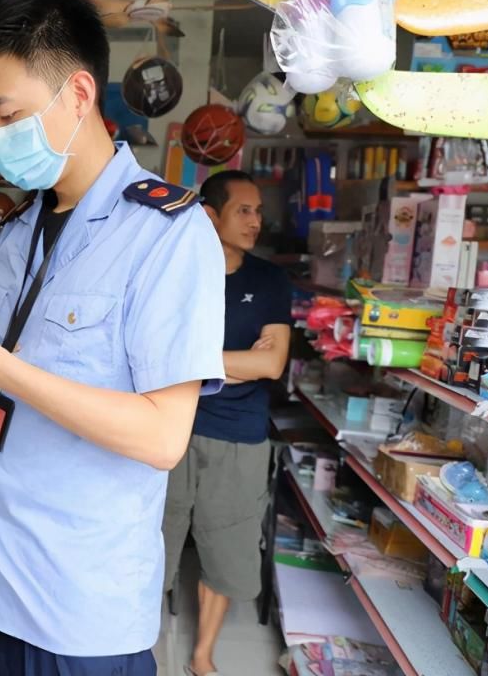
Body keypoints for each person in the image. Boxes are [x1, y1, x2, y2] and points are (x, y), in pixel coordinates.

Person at [0, 0, 226, 674]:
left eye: (7, 114)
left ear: (77, 94)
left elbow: (161, 436)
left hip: (77, 614)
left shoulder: (167, 235)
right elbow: (1, 407)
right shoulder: (18, 238)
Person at [161, 170, 292, 676]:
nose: (256, 221)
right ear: (210, 215)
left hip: (239, 436)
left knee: (226, 551)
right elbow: (153, 355)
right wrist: (234, 362)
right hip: (168, 428)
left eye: (259, 211)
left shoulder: (268, 280)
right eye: (244, 210)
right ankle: (132, 645)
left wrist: (194, 364)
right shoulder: (177, 274)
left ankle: (202, 656)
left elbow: (271, 365)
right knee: (153, 544)